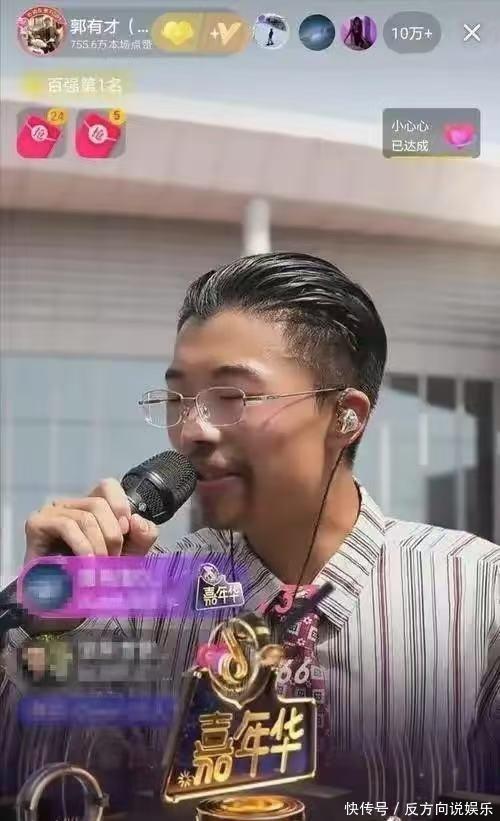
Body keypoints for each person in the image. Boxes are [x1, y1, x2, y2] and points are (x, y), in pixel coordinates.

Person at [1, 253, 499, 813]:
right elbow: (53, 791)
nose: (191, 432)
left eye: (231, 398)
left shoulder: (479, 595)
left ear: (346, 416)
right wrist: (49, 628)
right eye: (178, 400)